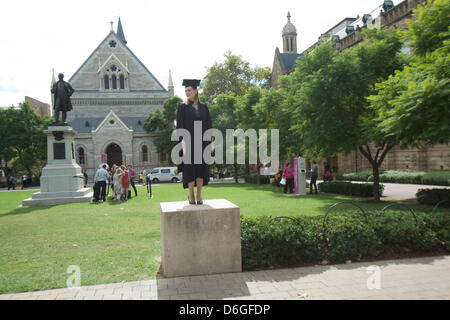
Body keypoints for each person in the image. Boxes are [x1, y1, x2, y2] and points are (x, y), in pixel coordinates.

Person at [176, 79, 213, 205]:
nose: (187, 92)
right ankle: (190, 193)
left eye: (189, 90)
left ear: (196, 91)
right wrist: (183, 145)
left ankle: (199, 195)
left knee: (201, 170)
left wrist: (211, 142)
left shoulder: (204, 108)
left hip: (203, 142)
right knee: (190, 169)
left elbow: (209, 125)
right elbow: (180, 128)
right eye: (185, 91)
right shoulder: (182, 108)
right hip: (188, 142)